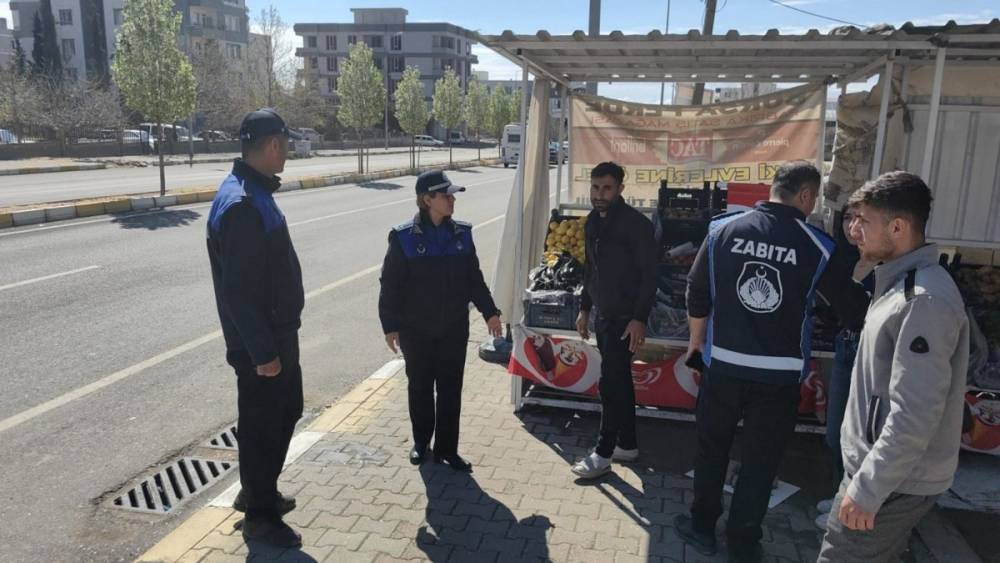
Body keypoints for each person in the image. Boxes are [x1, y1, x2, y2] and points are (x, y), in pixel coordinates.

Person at [678, 162, 868, 563]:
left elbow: (696, 291)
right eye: (813, 198)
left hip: (723, 366)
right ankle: (743, 543)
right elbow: (852, 309)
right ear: (805, 196)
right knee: (760, 462)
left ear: (773, 188)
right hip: (778, 376)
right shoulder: (818, 245)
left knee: (712, 449)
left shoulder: (723, 230)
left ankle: (702, 527)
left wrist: (697, 344)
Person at [818, 171, 969, 563]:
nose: (854, 231)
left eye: (863, 220)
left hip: (890, 482)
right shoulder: (899, 284)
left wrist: (868, 490)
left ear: (898, 227)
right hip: (884, 474)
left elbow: (914, 413)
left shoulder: (922, 300)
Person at [206, 108, 305, 548]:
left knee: (278, 413)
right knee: (266, 423)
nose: (287, 153)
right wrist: (264, 353)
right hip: (263, 341)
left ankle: (257, 490)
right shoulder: (243, 204)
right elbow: (239, 292)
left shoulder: (251, 191)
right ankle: (260, 517)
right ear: (273, 145)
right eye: (286, 144)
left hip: (271, 333)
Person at [378, 170, 502, 473]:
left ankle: (448, 449)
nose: (452, 200)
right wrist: (390, 325)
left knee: (450, 389)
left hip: (453, 328)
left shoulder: (462, 234)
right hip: (415, 329)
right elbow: (390, 285)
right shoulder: (404, 238)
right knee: (420, 387)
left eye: (452, 195)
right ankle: (422, 443)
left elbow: (474, 279)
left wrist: (490, 312)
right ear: (427, 200)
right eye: (446, 196)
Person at [571, 161, 658, 480]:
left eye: (606, 188)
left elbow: (650, 276)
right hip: (604, 317)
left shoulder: (636, 225)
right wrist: (585, 308)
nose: (599, 194)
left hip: (626, 321)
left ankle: (603, 453)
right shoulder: (592, 222)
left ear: (620, 189)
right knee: (619, 382)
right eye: (595, 188)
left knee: (609, 384)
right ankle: (627, 444)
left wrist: (639, 319)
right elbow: (590, 269)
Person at [816, 204, 876, 530]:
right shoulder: (840, 256)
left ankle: (857, 505)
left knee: (863, 435)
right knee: (836, 432)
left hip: (874, 353)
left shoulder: (889, 261)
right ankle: (841, 497)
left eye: (860, 219)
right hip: (846, 344)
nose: (853, 226)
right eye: (848, 218)